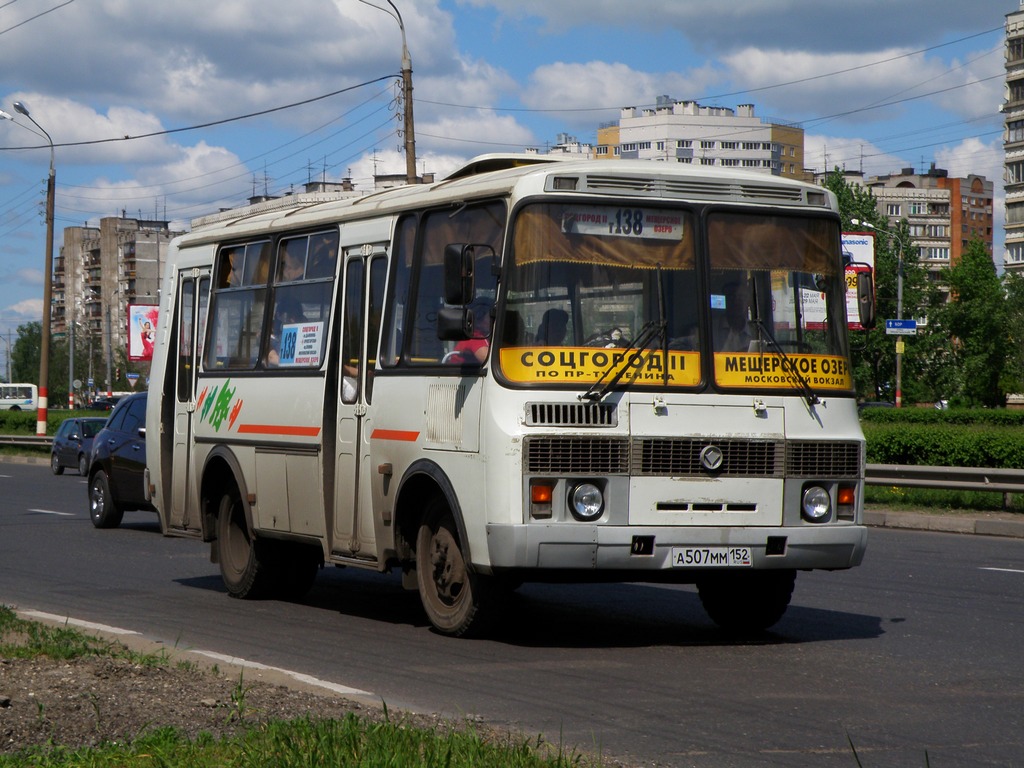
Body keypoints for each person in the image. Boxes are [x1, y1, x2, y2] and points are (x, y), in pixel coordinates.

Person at [713, 279, 753, 352]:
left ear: (749, 301)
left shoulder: (757, 331)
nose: (736, 301)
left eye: (741, 297)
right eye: (731, 297)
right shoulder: (711, 330)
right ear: (724, 300)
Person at [452, 299, 492, 364]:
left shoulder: (485, 336)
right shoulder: (475, 338)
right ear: (479, 318)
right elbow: (490, 361)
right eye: (490, 317)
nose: (493, 321)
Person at [267, 298, 303, 366]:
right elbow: (271, 357)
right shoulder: (269, 336)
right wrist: (297, 365)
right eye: (289, 315)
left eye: (297, 316)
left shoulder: (303, 335)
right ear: (279, 315)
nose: (293, 320)